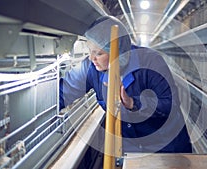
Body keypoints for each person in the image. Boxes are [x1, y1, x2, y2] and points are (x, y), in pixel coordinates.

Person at [59, 15, 192, 153]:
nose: (92, 58)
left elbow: (170, 104)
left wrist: (134, 104)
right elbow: (65, 92)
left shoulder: (151, 62)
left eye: (98, 53)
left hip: (166, 146)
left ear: (117, 53)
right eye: (90, 51)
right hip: (132, 147)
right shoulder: (91, 68)